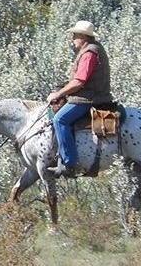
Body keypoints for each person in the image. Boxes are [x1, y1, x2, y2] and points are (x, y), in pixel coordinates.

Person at [47, 20, 113, 177]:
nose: (73, 38)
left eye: (75, 35)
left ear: (83, 37)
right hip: (91, 95)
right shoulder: (93, 50)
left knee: (60, 120)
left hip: (89, 99)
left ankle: (69, 163)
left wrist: (58, 94)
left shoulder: (89, 54)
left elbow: (79, 81)